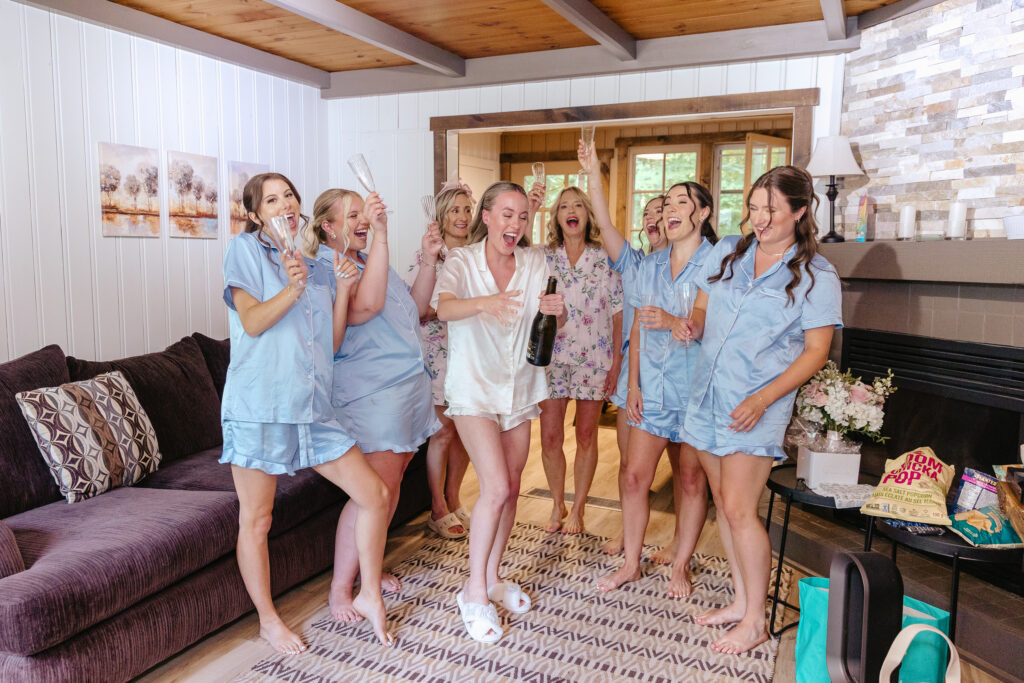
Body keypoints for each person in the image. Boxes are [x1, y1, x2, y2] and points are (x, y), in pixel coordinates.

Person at [220, 173, 393, 652]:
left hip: (313, 408)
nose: (285, 205)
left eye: (289, 196)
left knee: (375, 494)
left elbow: (329, 346)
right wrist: (292, 289)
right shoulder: (245, 251)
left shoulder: (316, 267)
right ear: (255, 215)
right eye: (271, 200)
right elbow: (252, 321)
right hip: (260, 407)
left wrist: (341, 291)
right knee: (258, 519)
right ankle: (268, 620)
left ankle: (369, 594)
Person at [678, 165, 842, 654]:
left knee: (738, 508)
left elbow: (816, 352)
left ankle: (755, 621)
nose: (759, 219)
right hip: (707, 394)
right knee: (723, 503)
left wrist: (762, 398)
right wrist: (692, 325)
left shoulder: (817, 275)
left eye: (771, 210)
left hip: (756, 404)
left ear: (800, 211)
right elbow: (702, 307)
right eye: (753, 208)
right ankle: (741, 600)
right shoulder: (729, 249)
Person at [432, 181, 566, 644]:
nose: (515, 223)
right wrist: (484, 303)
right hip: (473, 387)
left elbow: (554, 319)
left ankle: (492, 577)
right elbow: (443, 308)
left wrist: (558, 310)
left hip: (520, 388)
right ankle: (472, 592)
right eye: (506, 214)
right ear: (486, 217)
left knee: (510, 490)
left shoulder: (535, 263)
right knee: (494, 487)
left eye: (522, 216)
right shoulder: (462, 261)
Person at [301, 187, 442, 626]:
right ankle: (342, 587)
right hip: (372, 392)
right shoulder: (324, 268)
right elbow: (366, 305)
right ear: (328, 227)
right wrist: (381, 234)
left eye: (365, 213)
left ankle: (369, 567)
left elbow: (415, 309)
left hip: (406, 387)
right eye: (352, 216)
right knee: (373, 492)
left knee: (389, 487)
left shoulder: (366, 260)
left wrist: (429, 259)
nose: (363, 220)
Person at [595, 180, 717, 598]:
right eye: (667, 203)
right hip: (651, 389)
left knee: (691, 480)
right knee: (633, 476)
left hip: (696, 392)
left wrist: (675, 322)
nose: (671, 209)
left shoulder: (717, 262)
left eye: (683, 202)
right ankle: (631, 563)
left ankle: (681, 564)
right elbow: (636, 326)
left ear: (703, 213)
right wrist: (632, 385)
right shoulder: (650, 265)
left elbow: (707, 323)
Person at [577, 143, 684, 564]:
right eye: (648, 213)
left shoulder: (694, 265)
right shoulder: (634, 263)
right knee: (630, 466)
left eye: (662, 211)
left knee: (684, 472)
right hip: (634, 380)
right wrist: (592, 173)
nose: (653, 218)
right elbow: (603, 222)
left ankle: (679, 543)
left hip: (679, 377)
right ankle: (628, 533)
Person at [539, 185, 623, 535]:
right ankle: (557, 503)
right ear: (556, 217)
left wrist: (616, 363)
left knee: (586, 435)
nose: (571, 211)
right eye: (563, 207)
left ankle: (578, 508)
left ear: (588, 214)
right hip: (552, 358)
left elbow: (619, 314)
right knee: (550, 437)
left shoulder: (605, 258)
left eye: (578, 206)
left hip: (594, 357)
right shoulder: (544, 258)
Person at [405, 187, 475, 539]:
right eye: (454, 210)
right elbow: (413, 308)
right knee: (444, 431)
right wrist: (444, 309)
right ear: (442, 216)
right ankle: (437, 507)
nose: (462, 216)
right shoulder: (428, 255)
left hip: (472, 351)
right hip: (437, 352)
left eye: (467, 209)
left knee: (466, 431)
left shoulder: (478, 254)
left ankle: (454, 497)